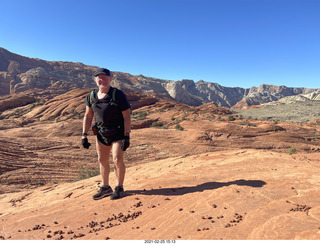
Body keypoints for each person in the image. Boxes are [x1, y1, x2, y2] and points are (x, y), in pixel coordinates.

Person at [82, 68, 131, 200]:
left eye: (105, 78)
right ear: (95, 80)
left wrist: (127, 136)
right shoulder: (91, 96)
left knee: (117, 159)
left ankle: (119, 187)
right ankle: (105, 187)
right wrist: (84, 135)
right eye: (99, 78)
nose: (102, 80)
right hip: (102, 133)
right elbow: (88, 116)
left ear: (110, 79)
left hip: (118, 132)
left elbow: (126, 116)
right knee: (102, 160)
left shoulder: (118, 94)